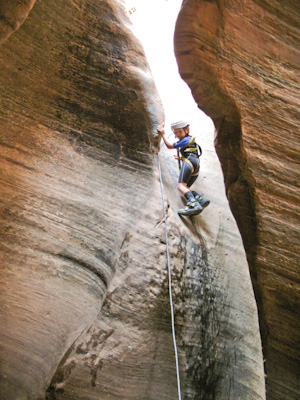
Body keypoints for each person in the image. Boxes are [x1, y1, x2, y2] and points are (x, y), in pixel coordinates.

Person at [158, 120, 210, 217]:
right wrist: (182, 158)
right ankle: (200, 198)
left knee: (181, 186)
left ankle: (193, 205)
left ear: (187, 130)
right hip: (195, 164)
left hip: (189, 162)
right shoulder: (190, 139)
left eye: (179, 131)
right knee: (185, 188)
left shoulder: (185, 140)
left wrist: (163, 135)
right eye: (176, 132)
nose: (178, 134)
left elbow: (169, 146)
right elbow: (192, 152)